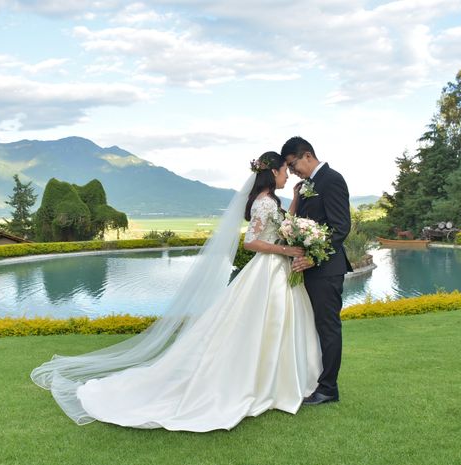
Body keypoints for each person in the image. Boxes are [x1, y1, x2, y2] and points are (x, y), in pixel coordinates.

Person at [31, 152, 322, 432]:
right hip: (268, 268)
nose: (287, 174)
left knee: (271, 325)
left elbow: (285, 227)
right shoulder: (264, 202)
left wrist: (295, 200)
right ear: (273, 172)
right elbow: (251, 242)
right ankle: (265, 382)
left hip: (276, 270)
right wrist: (287, 249)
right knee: (263, 325)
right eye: (284, 170)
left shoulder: (273, 201)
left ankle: (274, 380)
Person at [280, 137, 352, 406]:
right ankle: (312, 379)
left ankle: (328, 388)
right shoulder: (308, 185)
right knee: (311, 326)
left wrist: (312, 258)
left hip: (326, 269)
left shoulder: (332, 179)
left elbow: (340, 227)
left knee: (327, 327)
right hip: (309, 268)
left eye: (293, 164)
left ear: (307, 155)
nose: (293, 171)